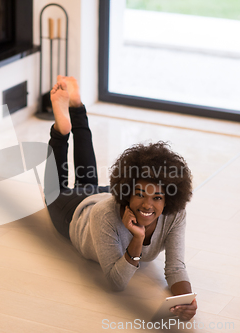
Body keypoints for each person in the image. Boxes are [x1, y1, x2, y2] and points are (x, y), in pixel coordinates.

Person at [45, 75, 197, 321]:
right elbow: (116, 283)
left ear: (169, 199)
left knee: (87, 180)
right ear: (127, 192)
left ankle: (76, 105)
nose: (148, 204)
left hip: (105, 194)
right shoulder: (105, 214)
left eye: (157, 197)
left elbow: (176, 268)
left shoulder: (174, 215)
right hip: (76, 213)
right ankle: (60, 133)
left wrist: (187, 300)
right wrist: (137, 239)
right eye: (140, 194)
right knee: (54, 193)